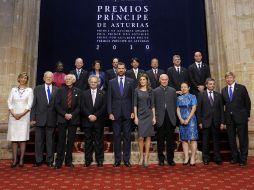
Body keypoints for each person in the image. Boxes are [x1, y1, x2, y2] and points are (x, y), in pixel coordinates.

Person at [107, 62, 135, 167]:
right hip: (115, 113)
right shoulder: (111, 82)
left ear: (125, 69)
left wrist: (133, 111)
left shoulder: (131, 81)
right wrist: (110, 112)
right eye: (119, 68)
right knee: (117, 137)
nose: (121, 70)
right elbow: (109, 98)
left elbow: (133, 98)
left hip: (128, 113)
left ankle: (126, 159)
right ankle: (117, 160)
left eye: (123, 68)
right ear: (116, 69)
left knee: (127, 137)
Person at [221, 72, 251, 166]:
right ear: (225, 79)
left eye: (230, 77)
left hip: (241, 118)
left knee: (243, 139)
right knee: (231, 139)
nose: (228, 79)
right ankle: (235, 157)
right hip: (229, 119)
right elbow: (223, 105)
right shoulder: (224, 90)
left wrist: (247, 115)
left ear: (234, 78)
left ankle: (243, 159)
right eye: (227, 78)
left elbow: (247, 102)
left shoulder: (241, 88)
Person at [31, 71, 58, 167]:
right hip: (39, 119)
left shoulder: (56, 89)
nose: (49, 78)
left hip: (52, 119)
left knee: (50, 141)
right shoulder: (38, 88)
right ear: (43, 78)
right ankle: (38, 160)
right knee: (39, 141)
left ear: (53, 79)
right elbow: (34, 104)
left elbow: (57, 106)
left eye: (50, 77)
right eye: (47, 77)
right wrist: (32, 118)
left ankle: (49, 161)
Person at [54, 74, 82, 169]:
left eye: (70, 79)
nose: (68, 80)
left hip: (73, 119)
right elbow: (57, 105)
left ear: (73, 80)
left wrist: (72, 114)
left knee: (71, 141)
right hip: (62, 118)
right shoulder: (60, 90)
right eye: (67, 79)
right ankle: (58, 161)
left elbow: (79, 106)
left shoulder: (78, 91)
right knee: (61, 140)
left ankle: (68, 161)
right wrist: (64, 114)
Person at [7, 72, 33, 167]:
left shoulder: (29, 90)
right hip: (13, 116)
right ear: (18, 79)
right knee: (14, 139)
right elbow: (9, 102)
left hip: (24, 117)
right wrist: (14, 113)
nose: (23, 79)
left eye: (25, 78)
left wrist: (21, 114)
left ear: (27, 80)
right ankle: (14, 160)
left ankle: (21, 159)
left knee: (22, 139)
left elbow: (29, 104)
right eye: (22, 77)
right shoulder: (13, 90)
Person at [197, 78, 224, 165]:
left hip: (216, 122)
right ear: (206, 85)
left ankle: (217, 158)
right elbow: (199, 110)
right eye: (210, 84)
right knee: (205, 141)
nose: (212, 85)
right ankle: (206, 158)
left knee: (216, 141)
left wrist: (222, 122)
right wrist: (200, 122)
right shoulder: (201, 95)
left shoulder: (218, 95)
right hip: (205, 122)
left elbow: (221, 110)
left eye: (213, 84)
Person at [81, 75, 106, 167]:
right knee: (88, 141)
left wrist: (95, 115)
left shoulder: (103, 93)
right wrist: (89, 115)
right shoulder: (84, 93)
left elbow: (104, 107)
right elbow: (82, 106)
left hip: (98, 121)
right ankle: (88, 160)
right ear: (89, 82)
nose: (93, 83)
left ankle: (99, 160)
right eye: (92, 82)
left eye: (95, 82)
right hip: (87, 121)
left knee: (99, 141)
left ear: (98, 83)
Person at [153, 74, 177, 166]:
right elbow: (153, 106)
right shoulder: (155, 91)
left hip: (170, 118)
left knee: (171, 140)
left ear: (168, 80)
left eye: (166, 79)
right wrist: (154, 117)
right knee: (160, 140)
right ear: (160, 80)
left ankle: (170, 159)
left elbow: (175, 106)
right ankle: (161, 159)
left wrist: (175, 118)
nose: (164, 81)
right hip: (160, 118)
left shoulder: (173, 90)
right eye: (162, 79)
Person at [134, 74, 156, 167]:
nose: (142, 81)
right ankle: (141, 157)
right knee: (140, 137)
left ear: (147, 81)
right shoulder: (136, 90)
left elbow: (153, 105)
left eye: (144, 79)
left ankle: (146, 157)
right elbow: (135, 105)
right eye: (141, 79)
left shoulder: (151, 91)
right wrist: (135, 117)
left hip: (149, 115)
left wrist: (154, 117)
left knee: (148, 136)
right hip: (140, 115)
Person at [177, 82, 198, 166]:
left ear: (189, 88)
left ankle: (193, 157)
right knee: (184, 139)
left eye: (185, 87)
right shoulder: (179, 98)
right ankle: (186, 157)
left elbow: (194, 108)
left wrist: (188, 119)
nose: (183, 88)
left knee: (193, 139)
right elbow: (177, 109)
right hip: (182, 120)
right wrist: (180, 118)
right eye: (182, 87)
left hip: (191, 120)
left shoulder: (193, 97)